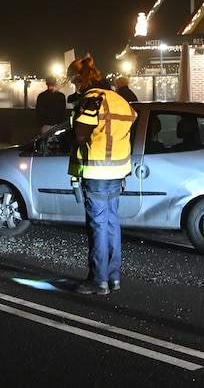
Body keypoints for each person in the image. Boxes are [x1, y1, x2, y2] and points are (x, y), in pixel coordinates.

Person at [67, 58, 137, 295]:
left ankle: (97, 280)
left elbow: (80, 134)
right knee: (112, 224)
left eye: (73, 81)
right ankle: (112, 276)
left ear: (80, 80)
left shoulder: (92, 99)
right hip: (117, 171)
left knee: (97, 225)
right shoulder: (119, 100)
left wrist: (74, 122)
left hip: (96, 171)